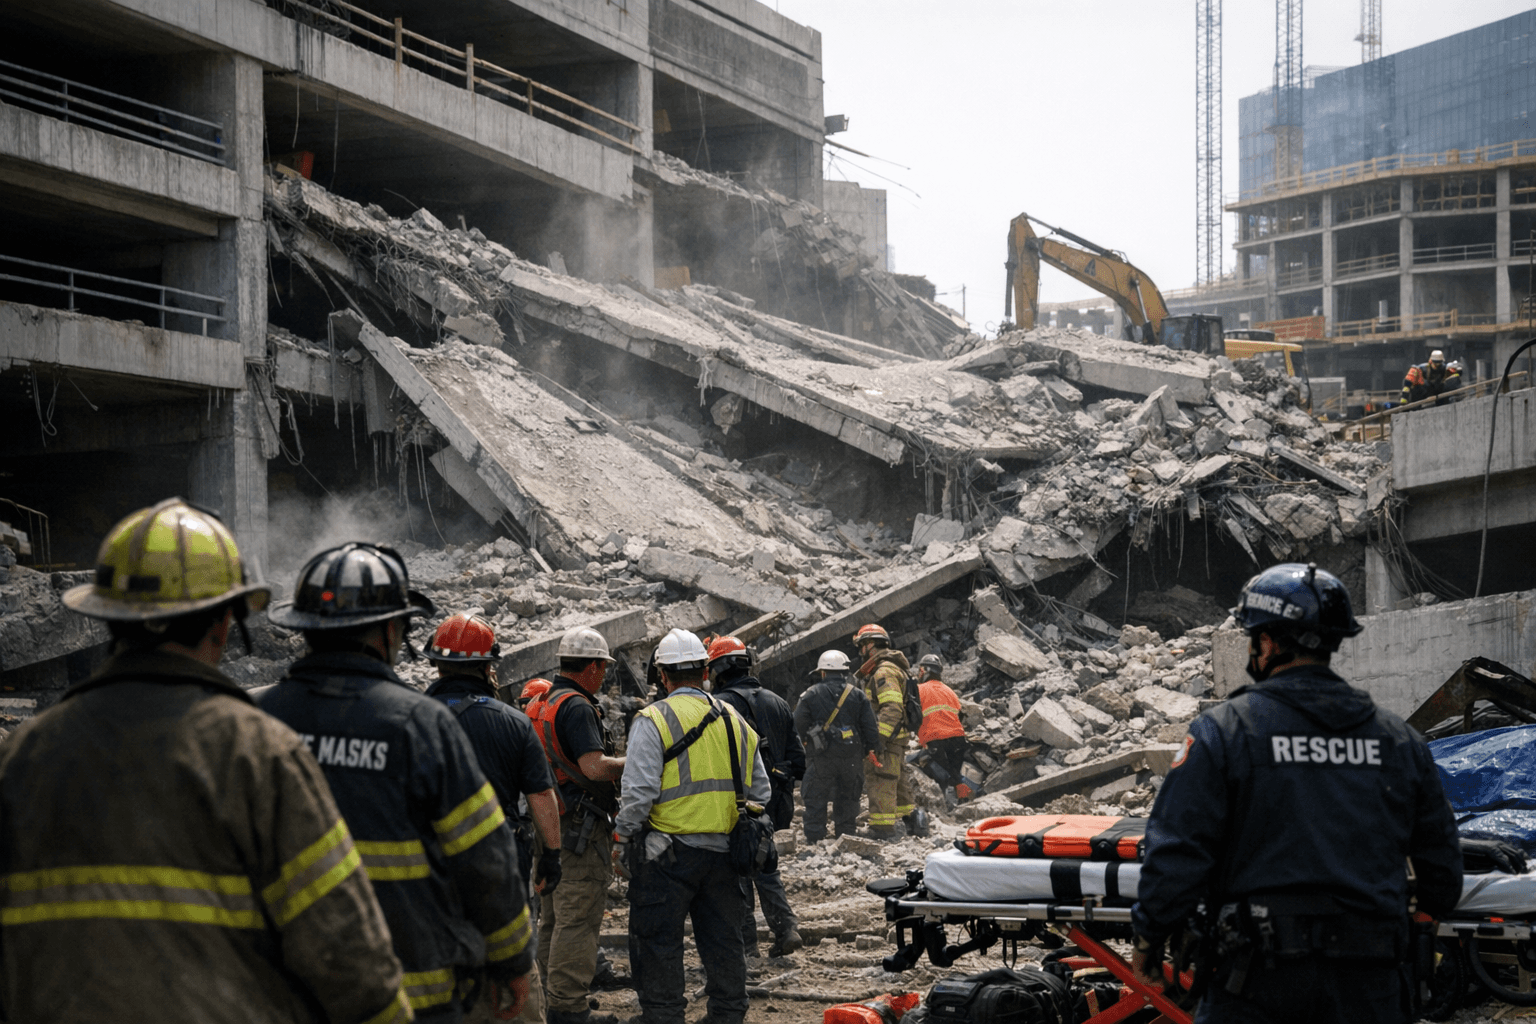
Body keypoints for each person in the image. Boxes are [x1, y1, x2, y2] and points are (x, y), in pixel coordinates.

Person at [0, 498, 411, 1023]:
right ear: (224, 622)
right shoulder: (259, 753)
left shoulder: (22, 756)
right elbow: (348, 955)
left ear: (110, 621)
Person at [1129, 562, 1464, 1024]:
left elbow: (1176, 855)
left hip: (1257, 983)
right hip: (1371, 984)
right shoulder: (1399, 740)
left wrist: (1149, 939)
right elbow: (1442, 874)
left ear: (1266, 643)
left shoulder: (1224, 732)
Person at [259, 543, 533, 1022]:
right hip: (414, 995)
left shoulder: (256, 721)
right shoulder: (420, 724)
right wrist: (511, 958)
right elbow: (486, 861)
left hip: (288, 994)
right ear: (392, 629)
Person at [614, 629, 770, 1024]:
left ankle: (664, 1017)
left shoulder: (653, 719)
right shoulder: (734, 719)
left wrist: (623, 837)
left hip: (666, 856)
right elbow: (761, 791)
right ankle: (728, 1015)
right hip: (724, 856)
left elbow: (638, 794)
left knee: (658, 944)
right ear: (704, 671)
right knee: (724, 945)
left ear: (662, 676)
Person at [424, 613, 564, 1023]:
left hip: (428, 868)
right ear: (489, 667)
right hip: (498, 864)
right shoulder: (514, 723)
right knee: (511, 951)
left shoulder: (411, 717)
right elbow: (541, 795)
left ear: (437, 664)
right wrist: (551, 857)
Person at [524, 627, 627, 1024]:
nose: (603, 676)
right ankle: (569, 1008)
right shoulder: (579, 706)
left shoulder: (541, 701)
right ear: (593, 666)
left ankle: (552, 1000)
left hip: (549, 823)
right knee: (578, 920)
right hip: (581, 831)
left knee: (552, 918)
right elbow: (594, 767)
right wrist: (639, 759)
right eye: (602, 668)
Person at [707, 635, 806, 958]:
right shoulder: (777, 701)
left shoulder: (721, 705)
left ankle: (747, 946)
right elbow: (798, 761)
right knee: (765, 863)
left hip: (736, 802)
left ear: (718, 668)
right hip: (771, 802)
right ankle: (786, 928)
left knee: (737, 871)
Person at [794, 650, 881, 843]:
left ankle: (815, 837)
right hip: (851, 756)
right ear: (844, 671)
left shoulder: (810, 694)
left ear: (823, 672)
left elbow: (797, 724)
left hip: (822, 756)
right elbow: (870, 726)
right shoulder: (857, 695)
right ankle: (846, 835)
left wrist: (805, 745)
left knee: (816, 795)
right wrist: (871, 750)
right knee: (849, 796)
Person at [853, 623, 916, 838]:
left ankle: (881, 829)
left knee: (881, 779)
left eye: (861, 646)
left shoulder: (884, 671)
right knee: (897, 781)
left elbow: (892, 708)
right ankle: (915, 824)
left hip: (887, 739)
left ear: (869, 645)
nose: (860, 652)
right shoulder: (892, 668)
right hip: (896, 738)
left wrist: (877, 739)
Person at [914, 654, 971, 804]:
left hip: (936, 739)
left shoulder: (919, 689)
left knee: (930, 765)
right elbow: (960, 715)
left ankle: (941, 804)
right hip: (958, 739)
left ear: (924, 671)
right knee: (955, 774)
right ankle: (963, 802)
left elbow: (913, 715)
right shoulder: (949, 690)